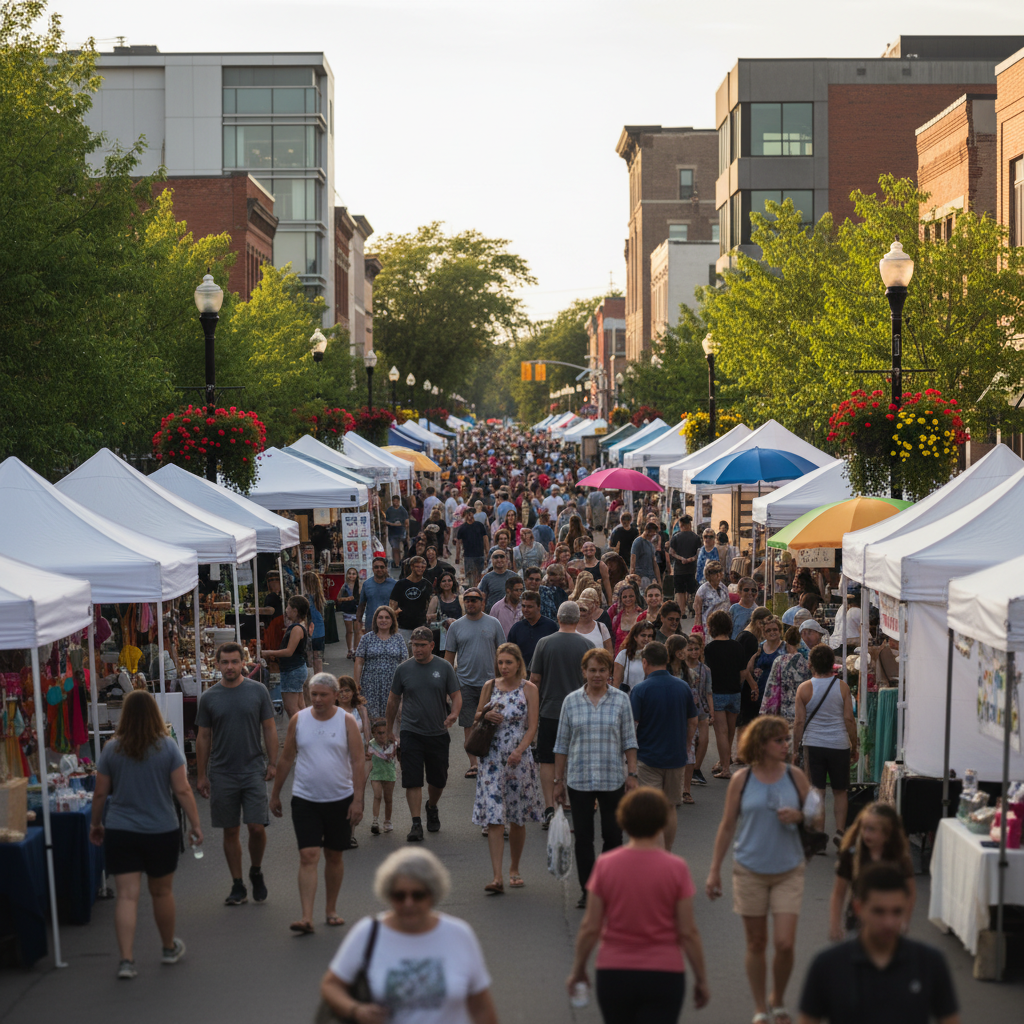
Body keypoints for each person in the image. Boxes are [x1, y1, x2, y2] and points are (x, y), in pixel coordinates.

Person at [568, 787, 710, 1024]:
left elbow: (591, 927)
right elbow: (688, 932)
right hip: (664, 973)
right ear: (662, 822)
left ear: (623, 821)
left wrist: (579, 970)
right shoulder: (676, 868)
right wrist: (701, 979)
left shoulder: (605, 865)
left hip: (614, 971)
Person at [706, 716, 815, 1024]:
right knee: (756, 943)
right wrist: (714, 870)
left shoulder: (796, 777)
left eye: (786, 740)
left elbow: (816, 815)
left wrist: (800, 816)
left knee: (784, 943)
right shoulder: (742, 780)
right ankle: (759, 1007)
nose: (785, 745)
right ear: (762, 744)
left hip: (788, 869)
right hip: (749, 869)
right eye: (779, 740)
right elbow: (727, 826)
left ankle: (777, 998)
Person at [89, 689, 201, 979]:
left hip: (121, 829)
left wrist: (96, 824)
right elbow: (182, 789)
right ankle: (167, 947)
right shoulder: (167, 747)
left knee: (126, 896)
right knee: (161, 892)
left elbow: (100, 793)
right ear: (154, 714)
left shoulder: (111, 749)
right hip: (160, 829)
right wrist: (196, 825)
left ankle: (126, 960)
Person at [321, 848, 499, 1024]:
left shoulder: (459, 935)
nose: (408, 903)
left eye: (418, 895)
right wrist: (356, 1010)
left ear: (432, 894)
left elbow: (481, 1006)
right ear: (388, 895)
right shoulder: (367, 933)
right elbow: (331, 985)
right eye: (399, 896)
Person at [799, 864, 959, 1024]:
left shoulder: (930, 963)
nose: (889, 923)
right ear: (858, 908)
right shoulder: (827, 965)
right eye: (879, 911)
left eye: (897, 911)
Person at [269, 673, 365, 935]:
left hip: (340, 799)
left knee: (334, 855)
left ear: (336, 695)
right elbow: (287, 757)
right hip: (305, 799)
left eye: (324, 694)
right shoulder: (299, 720)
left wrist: (358, 800)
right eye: (314, 694)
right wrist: (276, 793)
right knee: (308, 855)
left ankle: (331, 910)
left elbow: (358, 761)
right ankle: (306, 916)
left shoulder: (346, 721)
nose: (318, 699)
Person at [554, 647, 639, 909]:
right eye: (592, 670)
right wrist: (558, 781)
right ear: (584, 672)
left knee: (613, 836)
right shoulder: (571, 701)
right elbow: (562, 743)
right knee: (584, 838)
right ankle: (588, 889)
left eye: (603, 670)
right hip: (579, 779)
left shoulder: (620, 700)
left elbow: (629, 739)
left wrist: (632, 774)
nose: (598, 675)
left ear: (609, 673)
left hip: (612, 777)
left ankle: (608, 886)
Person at [196, 642, 277, 907]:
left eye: (234, 661)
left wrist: (273, 763)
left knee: (256, 827)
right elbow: (203, 737)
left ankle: (256, 870)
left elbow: (269, 729)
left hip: (253, 768)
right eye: (224, 662)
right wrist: (201, 775)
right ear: (217, 664)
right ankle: (238, 884)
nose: (229, 667)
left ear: (244, 663)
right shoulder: (209, 697)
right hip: (222, 773)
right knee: (230, 830)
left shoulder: (258, 691)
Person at [472, 643, 543, 889]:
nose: (504, 667)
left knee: (517, 818)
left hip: (518, 759)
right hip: (491, 758)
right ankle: (497, 877)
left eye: (508, 662)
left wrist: (519, 751)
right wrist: (484, 715)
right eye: (500, 662)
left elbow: (533, 725)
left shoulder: (529, 689)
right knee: (494, 817)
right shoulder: (489, 686)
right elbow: (476, 715)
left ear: (518, 663)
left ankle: (514, 868)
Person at [387, 626, 462, 842]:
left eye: (421, 645)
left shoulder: (444, 667)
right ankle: (416, 823)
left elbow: (456, 695)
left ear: (432, 646)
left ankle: (432, 806)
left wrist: (454, 714)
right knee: (413, 779)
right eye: (414, 645)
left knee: (438, 779)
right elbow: (393, 700)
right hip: (411, 731)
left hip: (437, 732)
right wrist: (391, 730)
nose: (417, 649)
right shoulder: (403, 669)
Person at [530, 601, 593, 827]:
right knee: (576, 759)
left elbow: (534, 680)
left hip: (550, 710)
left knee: (546, 760)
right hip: (579, 712)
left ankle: (550, 807)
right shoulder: (587, 645)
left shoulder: (544, 643)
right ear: (577, 620)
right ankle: (575, 807)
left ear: (558, 618)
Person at [792, 643, 857, 847]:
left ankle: (819, 834)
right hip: (839, 744)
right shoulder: (842, 687)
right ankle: (839, 831)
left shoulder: (804, 688)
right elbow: (849, 719)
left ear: (810, 664)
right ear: (832, 664)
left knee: (817, 790)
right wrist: (854, 745)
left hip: (814, 744)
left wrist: (795, 748)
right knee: (840, 790)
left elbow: (799, 722)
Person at [631, 642, 698, 836]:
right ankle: (666, 851)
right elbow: (693, 721)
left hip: (648, 757)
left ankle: (652, 855)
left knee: (649, 811)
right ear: (667, 660)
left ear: (645, 662)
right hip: (675, 757)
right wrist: (686, 745)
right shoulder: (683, 687)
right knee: (669, 809)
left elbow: (633, 725)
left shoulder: (641, 689)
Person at [829, 802, 916, 941]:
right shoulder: (852, 855)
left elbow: (910, 893)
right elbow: (839, 893)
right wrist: (834, 925)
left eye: (872, 829)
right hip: (857, 922)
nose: (866, 834)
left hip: (889, 924)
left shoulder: (899, 858)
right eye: (864, 828)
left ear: (888, 833)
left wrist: (904, 921)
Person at [444, 587, 506, 777]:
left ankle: (493, 760)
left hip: (491, 684)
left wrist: (504, 680)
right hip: (465, 683)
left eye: (474, 600)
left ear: (482, 602)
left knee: (495, 722)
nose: (470, 603)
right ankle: (474, 764)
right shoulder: (456, 627)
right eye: (467, 600)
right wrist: (448, 686)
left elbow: (503, 652)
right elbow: (448, 658)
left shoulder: (494, 623)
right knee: (470, 723)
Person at [703, 609, 753, 780]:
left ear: (712, 627)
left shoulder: (709, 649)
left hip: (717, 693)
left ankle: (725, 767)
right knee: (730, 731)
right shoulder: (737, 646)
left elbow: (707, 673)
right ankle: (725, 761)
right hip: (734, 692)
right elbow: (742, 672)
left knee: (721, 732)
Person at [354, 606, 409, 720]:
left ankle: (391, 738)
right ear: (375, 620)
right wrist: (356, 685)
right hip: (370, 684)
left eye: (387, 618)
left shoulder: (398, 639)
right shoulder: (366, 638)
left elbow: (405, 663)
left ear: (392, 620)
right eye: (380, 617)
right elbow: (359, 662)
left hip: (392, 684)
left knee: (392, 716)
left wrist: (405, 686)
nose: (383, 620)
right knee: (371, 717)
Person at [262, 594, 310, 719]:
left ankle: (298, 734)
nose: (286, 610)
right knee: (300, 705)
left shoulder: (297, 628)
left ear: (295, 610)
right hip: (295, 669)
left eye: (288, 607)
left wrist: (269, 652)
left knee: (291, 707)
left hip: (292, 670)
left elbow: (289, 651)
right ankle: (306, 732)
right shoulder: (298, 626)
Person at [681, 634, 714, 789]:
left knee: (704, 739)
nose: (694, 652)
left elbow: (708, 692)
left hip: (701, 709)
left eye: (696, 649)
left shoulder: (705, 669)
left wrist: (712, 712)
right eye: (690, 649)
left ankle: (696, 769)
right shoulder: (682, 668)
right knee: (689, 740)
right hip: (686, 711)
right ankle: (687, 770)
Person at [506, 589, 557, 671]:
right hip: (523, 674)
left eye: (530, 607)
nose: (526, 610)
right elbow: (510, 653)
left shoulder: (551, 627)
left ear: (539, 607)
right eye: (523, 606)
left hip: (546, 673)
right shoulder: (516, 628)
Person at [390, 556, 433, 647]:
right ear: (412, 567)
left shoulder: (427, 585)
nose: (420, 569)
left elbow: (431, 604)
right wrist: (395, 613)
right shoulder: (400, 584)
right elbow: (392, 605)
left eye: (422, 567)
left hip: (421, 627)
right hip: (403, 627)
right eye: (417, 566)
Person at [366, 718, 398, 836]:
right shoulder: (371, 744)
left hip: (389, 774)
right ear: (374, 733)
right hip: (376, 774)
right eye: (378, 733)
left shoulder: (392, 743)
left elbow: (390, 756)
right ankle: (375, 821)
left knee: (388, 799)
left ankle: (387, 821)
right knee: (377, 796)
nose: (381, 735)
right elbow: (367, 758)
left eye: (384, 732)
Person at [669, 514, 701, 617]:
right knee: (690, 590)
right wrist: (691, 559)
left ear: (681, 525)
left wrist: (681, 558)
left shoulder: (676, 537)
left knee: (680, 591)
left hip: (679, 568)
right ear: (689, 524)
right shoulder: (696, 537)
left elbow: (671, 552)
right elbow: (698, 553)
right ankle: (690, 608)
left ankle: (682, 611)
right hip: (691, 568)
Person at [356, 558, 396, 642]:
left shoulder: (394, 584)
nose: (379, 569)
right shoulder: (367, 584)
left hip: (389, 626)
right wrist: (358, 623)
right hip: (371, 625)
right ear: (373, 569)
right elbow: (361, 605)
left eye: (382, 567)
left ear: (386, 568)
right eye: (376, 567)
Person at [613, 620, 655, 693]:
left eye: (649, 636)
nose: (646, 639)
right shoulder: (623, 655)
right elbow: (616, 683)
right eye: (643, 635)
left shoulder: (655, 656)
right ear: (635, 637)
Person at [456, 507, 490, 587]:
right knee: (469, 576)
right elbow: (458, 543)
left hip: (480, 554)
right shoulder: (462, 528)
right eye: (468, 514)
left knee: (480, 575)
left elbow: (485, 539)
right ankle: (471, 589)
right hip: (468, 556)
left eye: (471, 514)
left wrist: (487, 552)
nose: (470, 516)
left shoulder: (480, 525)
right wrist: (457, 556)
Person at [693, 561, 730, 634]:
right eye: (715, 572)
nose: (719, 574)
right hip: (709, 628)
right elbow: (698, 613)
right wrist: (698, 630)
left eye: (720, 571)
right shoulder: (702, 590)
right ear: (709, 575)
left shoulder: (723, 588)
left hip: (724, 625)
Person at [303, 571, 327, 675]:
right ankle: (319, 677)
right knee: (318, 657)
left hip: (310, 630)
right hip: (320, 630)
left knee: (310, 657)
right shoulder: (319, 597)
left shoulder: (306, 598)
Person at [576, 588, 614, 653]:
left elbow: (609, 652)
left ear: (595, 606)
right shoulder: (571, 627)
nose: (582, 613)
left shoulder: (601, 627)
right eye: (580, 609)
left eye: (585, 609)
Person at [609, 581, 642, 652]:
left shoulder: (642, 615)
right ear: (621, 599)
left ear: (636, 597)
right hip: (619, 657)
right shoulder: (616, 618)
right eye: (624, 597)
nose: (628, 599)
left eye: (631, 596)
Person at [338, 567, 362, 660]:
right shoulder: (344, 586)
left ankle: (356, 650)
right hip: (347, 611)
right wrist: (346, 599)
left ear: (357, 575)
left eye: (354, 573)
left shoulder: (359, 585)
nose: (351, 575)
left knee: (357, 631)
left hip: (357, 611)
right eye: (350, 573)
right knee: (349, 631)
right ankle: (349, 650)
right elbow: (338, 598)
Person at [385, 494, 410, 568]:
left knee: (400, 548)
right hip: (392, 533)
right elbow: (385, 521)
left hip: (401, 532)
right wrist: (391, 524)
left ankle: (400, 561)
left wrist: (406, 530)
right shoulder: (389, 510)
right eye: (394, 501)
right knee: (395, 548)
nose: (395, 503)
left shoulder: (403, 510)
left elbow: (407, 522)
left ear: (399, 501)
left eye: (397, 501)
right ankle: (397, 563)